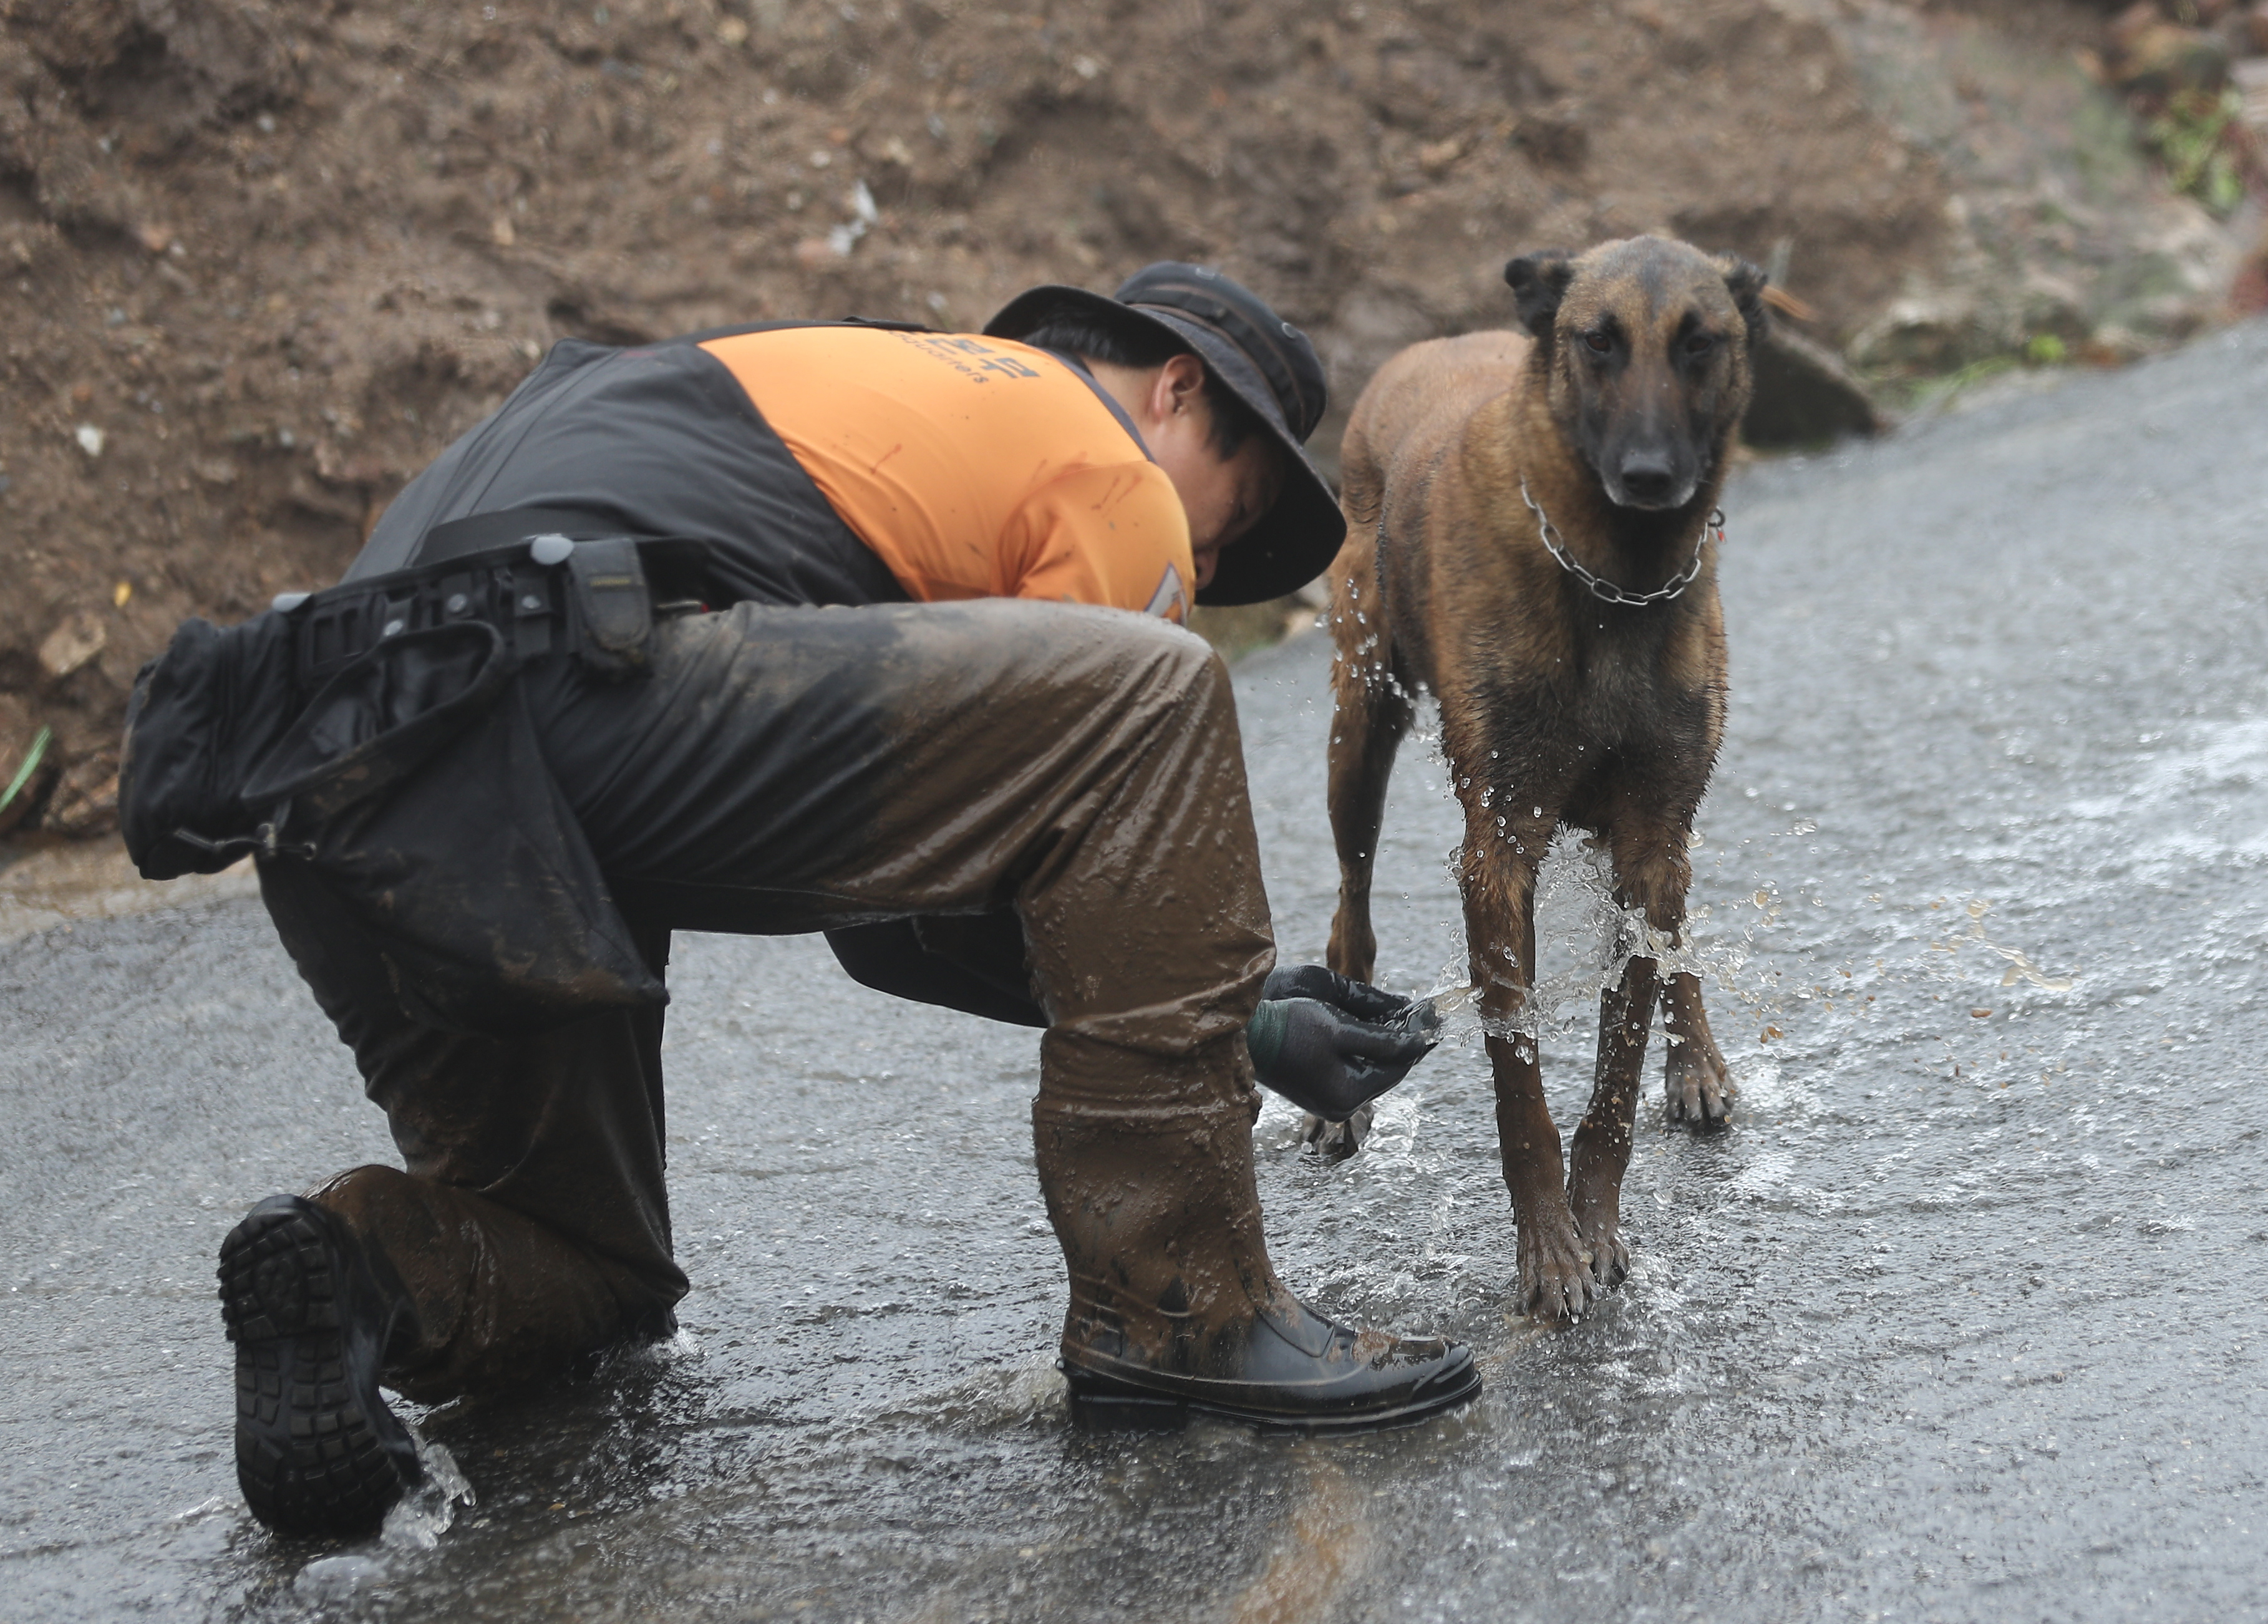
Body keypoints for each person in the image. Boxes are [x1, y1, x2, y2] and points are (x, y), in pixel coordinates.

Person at [126, 264, 1478, 1540]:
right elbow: (1098, 772)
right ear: (1178, 389)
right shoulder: (1101, 459)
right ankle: (1182, 1308)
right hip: (583, 676)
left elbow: (896, 911)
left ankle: (360, 1274)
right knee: (1153, 696)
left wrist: (1235, 1010)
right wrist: (1226, 1018)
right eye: (1230, 510)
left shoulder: (845, 392)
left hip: (333, 770)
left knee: (587, 1274)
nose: (1205, 545)